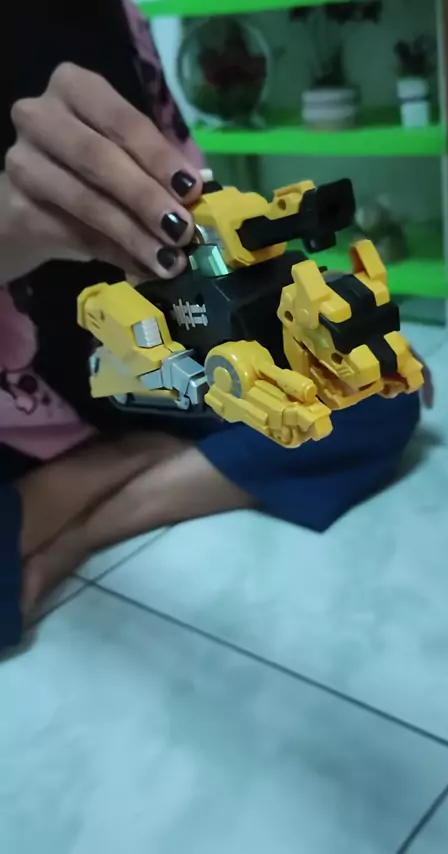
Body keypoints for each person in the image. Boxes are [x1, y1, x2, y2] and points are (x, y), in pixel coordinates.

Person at [0, 0, 425, 650]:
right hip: (30, 415)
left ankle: (86, 519)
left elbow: (197, 200)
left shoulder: (118, 17)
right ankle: (107, 467)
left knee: (374, 403)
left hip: (174, 351)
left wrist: (349, 326)